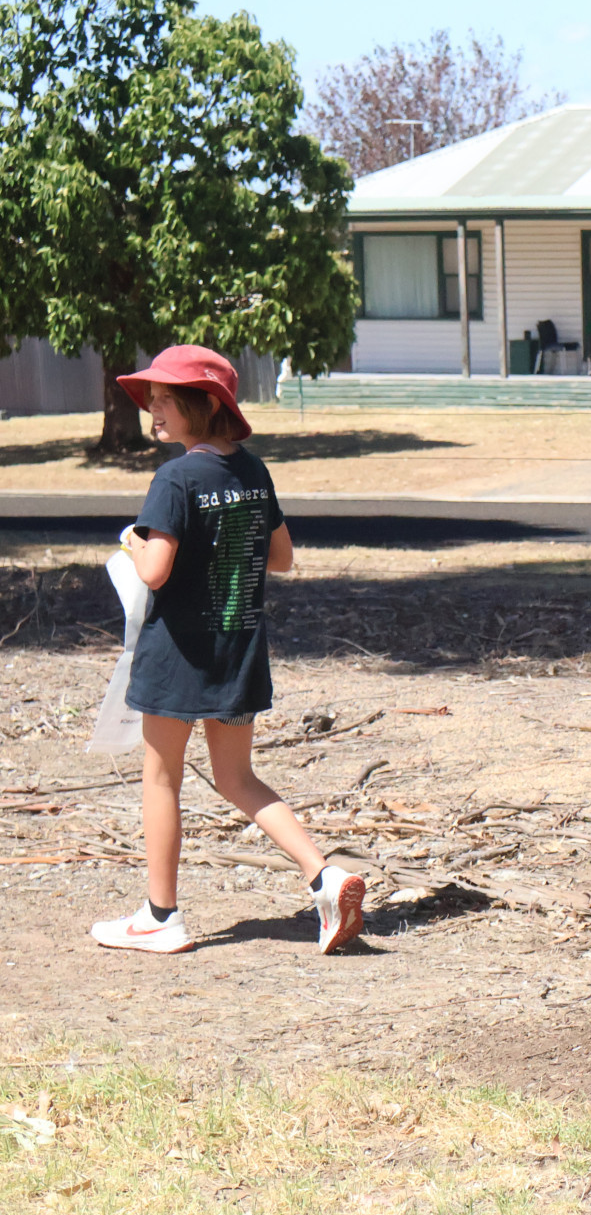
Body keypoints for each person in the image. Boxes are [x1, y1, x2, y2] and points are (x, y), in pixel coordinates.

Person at [88, 346, 365, 956]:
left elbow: (155, 571)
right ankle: (325, 876)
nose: (153, 410)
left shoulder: (176, 477)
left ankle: (161, 917)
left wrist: (132, 543)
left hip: (177, 655)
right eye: (152, 398)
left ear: (205, 404)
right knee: (237, 777)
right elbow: (283, 558)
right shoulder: (252, 471)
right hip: (238, 651)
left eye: (165, 398)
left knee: (160, 781)